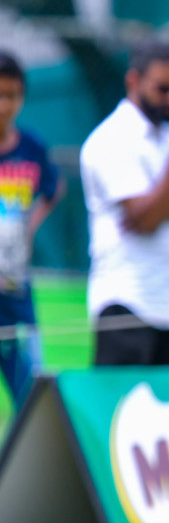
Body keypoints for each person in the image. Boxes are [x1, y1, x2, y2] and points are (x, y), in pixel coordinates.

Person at [80, 41, 169, 366]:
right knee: (117, 413)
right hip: (126, 303)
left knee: (158, 417)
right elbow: (145, 220)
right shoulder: (111, 139)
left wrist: (165, 207)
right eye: (163, 89)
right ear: (133, 81)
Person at [0, 51, 64, 407]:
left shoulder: (32, 147)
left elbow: (54, 189)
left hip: (13, 288)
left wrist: (31, 225)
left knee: (29, 387)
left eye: (11, 95)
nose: (4, 104)